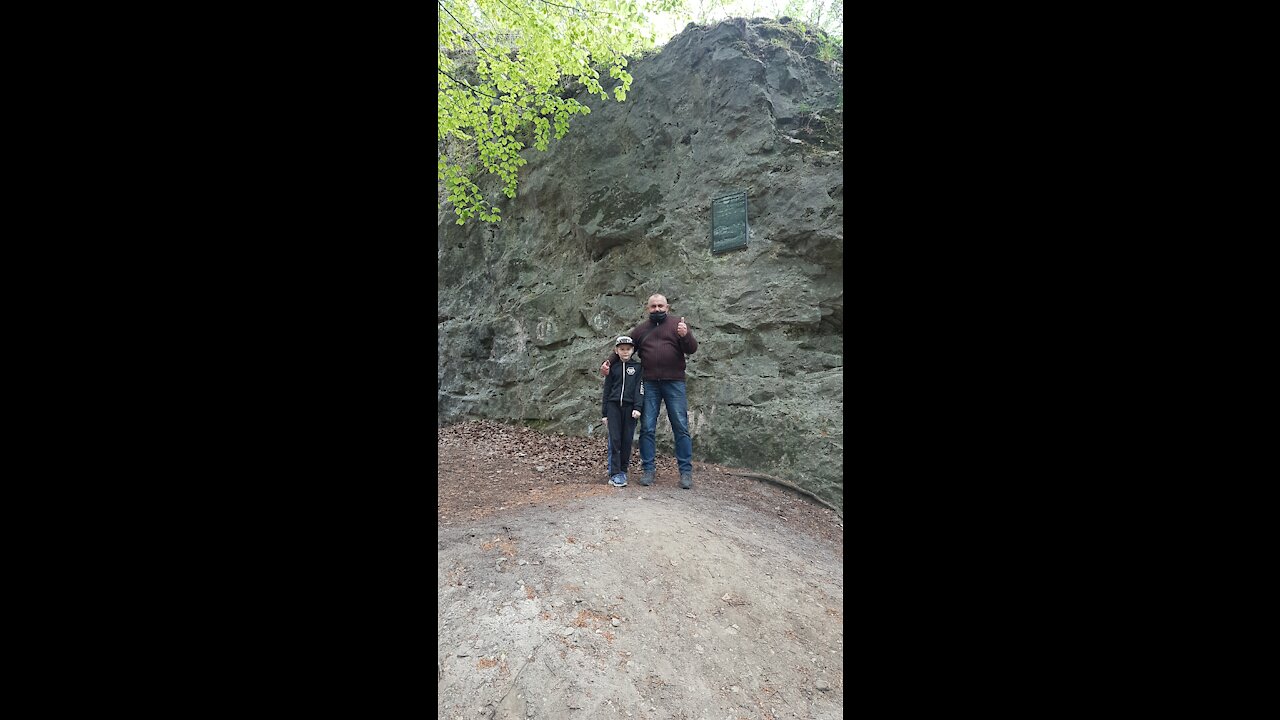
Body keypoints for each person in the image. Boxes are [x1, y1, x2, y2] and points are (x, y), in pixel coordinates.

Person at [600, 294, 698, 488]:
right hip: (650, 383)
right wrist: (608, 363)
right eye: (653, 306)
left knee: (680, 426)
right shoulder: (642, 329)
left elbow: (692, 349)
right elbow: (624, 345)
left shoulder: (678, 325)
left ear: (667, 307)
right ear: (648, 309)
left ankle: (685, 472)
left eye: (660, 306)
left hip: (674, 382)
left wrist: (685, 335)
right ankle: (648, 470)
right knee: (647, 428)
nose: (657, 309)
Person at [601, 335, 643, 487]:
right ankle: (614, 473)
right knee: (615, 440)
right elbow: (607, 391)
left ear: (633, 350)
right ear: (616, 351)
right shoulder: (613, 368)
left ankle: (623, 470)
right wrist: (604, 413)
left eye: (628, 349)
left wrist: (638, 407)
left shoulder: (638, 368)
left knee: (627, 440)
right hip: (613, 408)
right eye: (622, 349)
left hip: (630, 408)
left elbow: (640, 389)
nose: (625, 352)